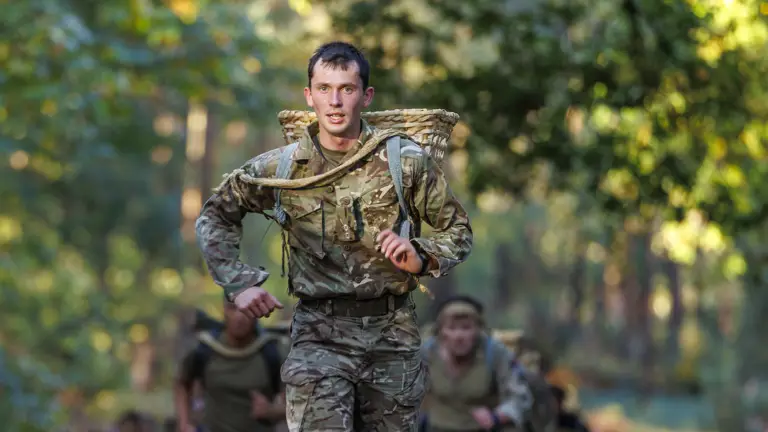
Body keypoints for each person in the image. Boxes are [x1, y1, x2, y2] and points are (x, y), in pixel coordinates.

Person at [195, 41, 473, 431]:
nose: (335, 101)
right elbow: (215, 215)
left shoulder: (404, 161)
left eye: (347, 88)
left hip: (391, 334)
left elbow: (458, 231)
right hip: (318, 335)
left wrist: (421, 255)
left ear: (366, 95)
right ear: (309, 96)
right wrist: (238, 283)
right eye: (324, 89)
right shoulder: (285, 168)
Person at [420, 296, 557, 432]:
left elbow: (519, 398)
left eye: (466, 328)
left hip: (484, 428)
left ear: (478, 331)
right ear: (441, 332)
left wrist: (497, 416)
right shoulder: (427, 353)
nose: (459, 336)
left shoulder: (495, 352)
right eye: (452, 328)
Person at [174, 297, 288, 432]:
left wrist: (272, 411)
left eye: (247, 310)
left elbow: (298, 405)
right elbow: (182, 383)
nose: (239, 317)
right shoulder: (205, 348)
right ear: (224, 310)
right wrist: (185, 423)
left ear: (258, 312)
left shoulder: (273, 351)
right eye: (233, 308)